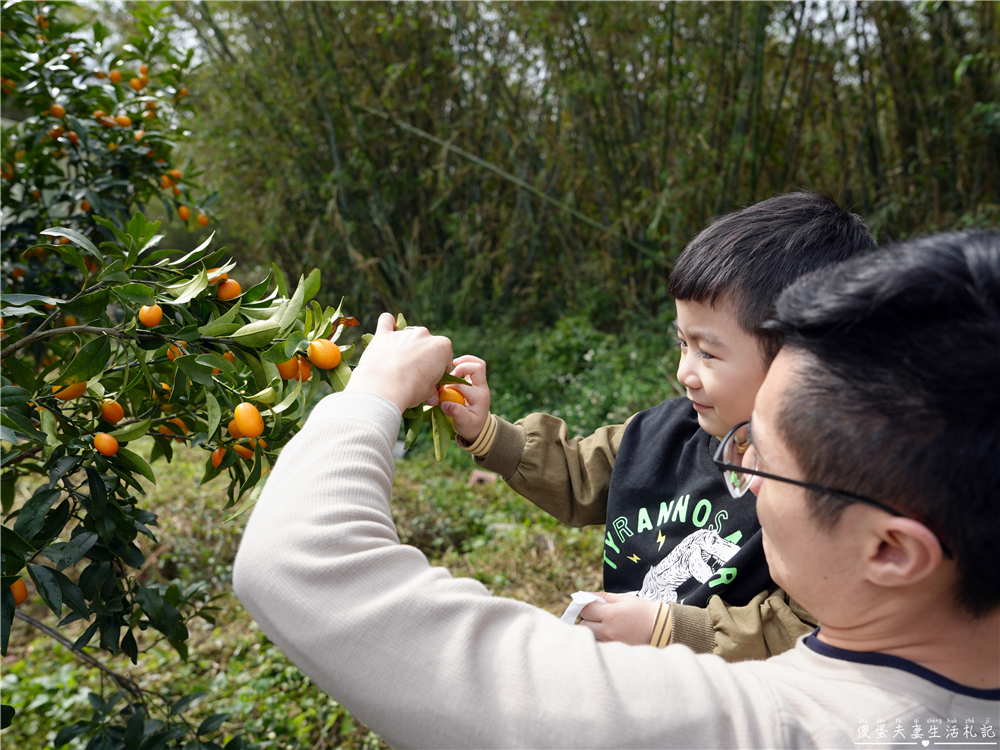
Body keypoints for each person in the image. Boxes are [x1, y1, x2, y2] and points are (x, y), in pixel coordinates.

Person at [233, 230, 999, 749]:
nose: (739, 474)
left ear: (892, 550)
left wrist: (368, 396)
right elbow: (584, 469)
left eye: (760, 457)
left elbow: (303, 570)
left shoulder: (750, 725)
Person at [436, 192, 876, 657]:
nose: (686, 371)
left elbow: (805, 626)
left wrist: (670, 628)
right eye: (683, 343)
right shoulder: (661, 434)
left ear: (802, 359)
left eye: (708, 352)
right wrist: (485, 430)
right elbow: (581, 472)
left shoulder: (821, 488)